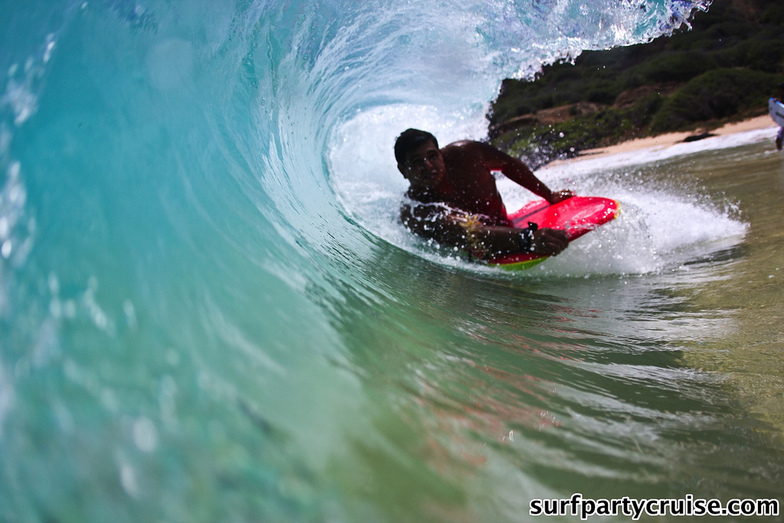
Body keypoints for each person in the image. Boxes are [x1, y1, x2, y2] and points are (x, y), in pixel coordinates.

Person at [394, 128, 574, 261]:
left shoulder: (465, 154)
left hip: (511, 228)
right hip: (480, 256)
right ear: (403, 170)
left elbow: (508, 164)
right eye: (417, 162)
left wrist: (548, 194)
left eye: (432, 156)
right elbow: (470, 232)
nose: (428, 166)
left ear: (440, 154)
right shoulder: (417, 209)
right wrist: (529, 238)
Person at [775, 84, 784, 151]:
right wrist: (776, 102)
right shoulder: (781, 97)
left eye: (778, 89)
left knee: (779, 140)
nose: (777, 90)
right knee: (778, 140)